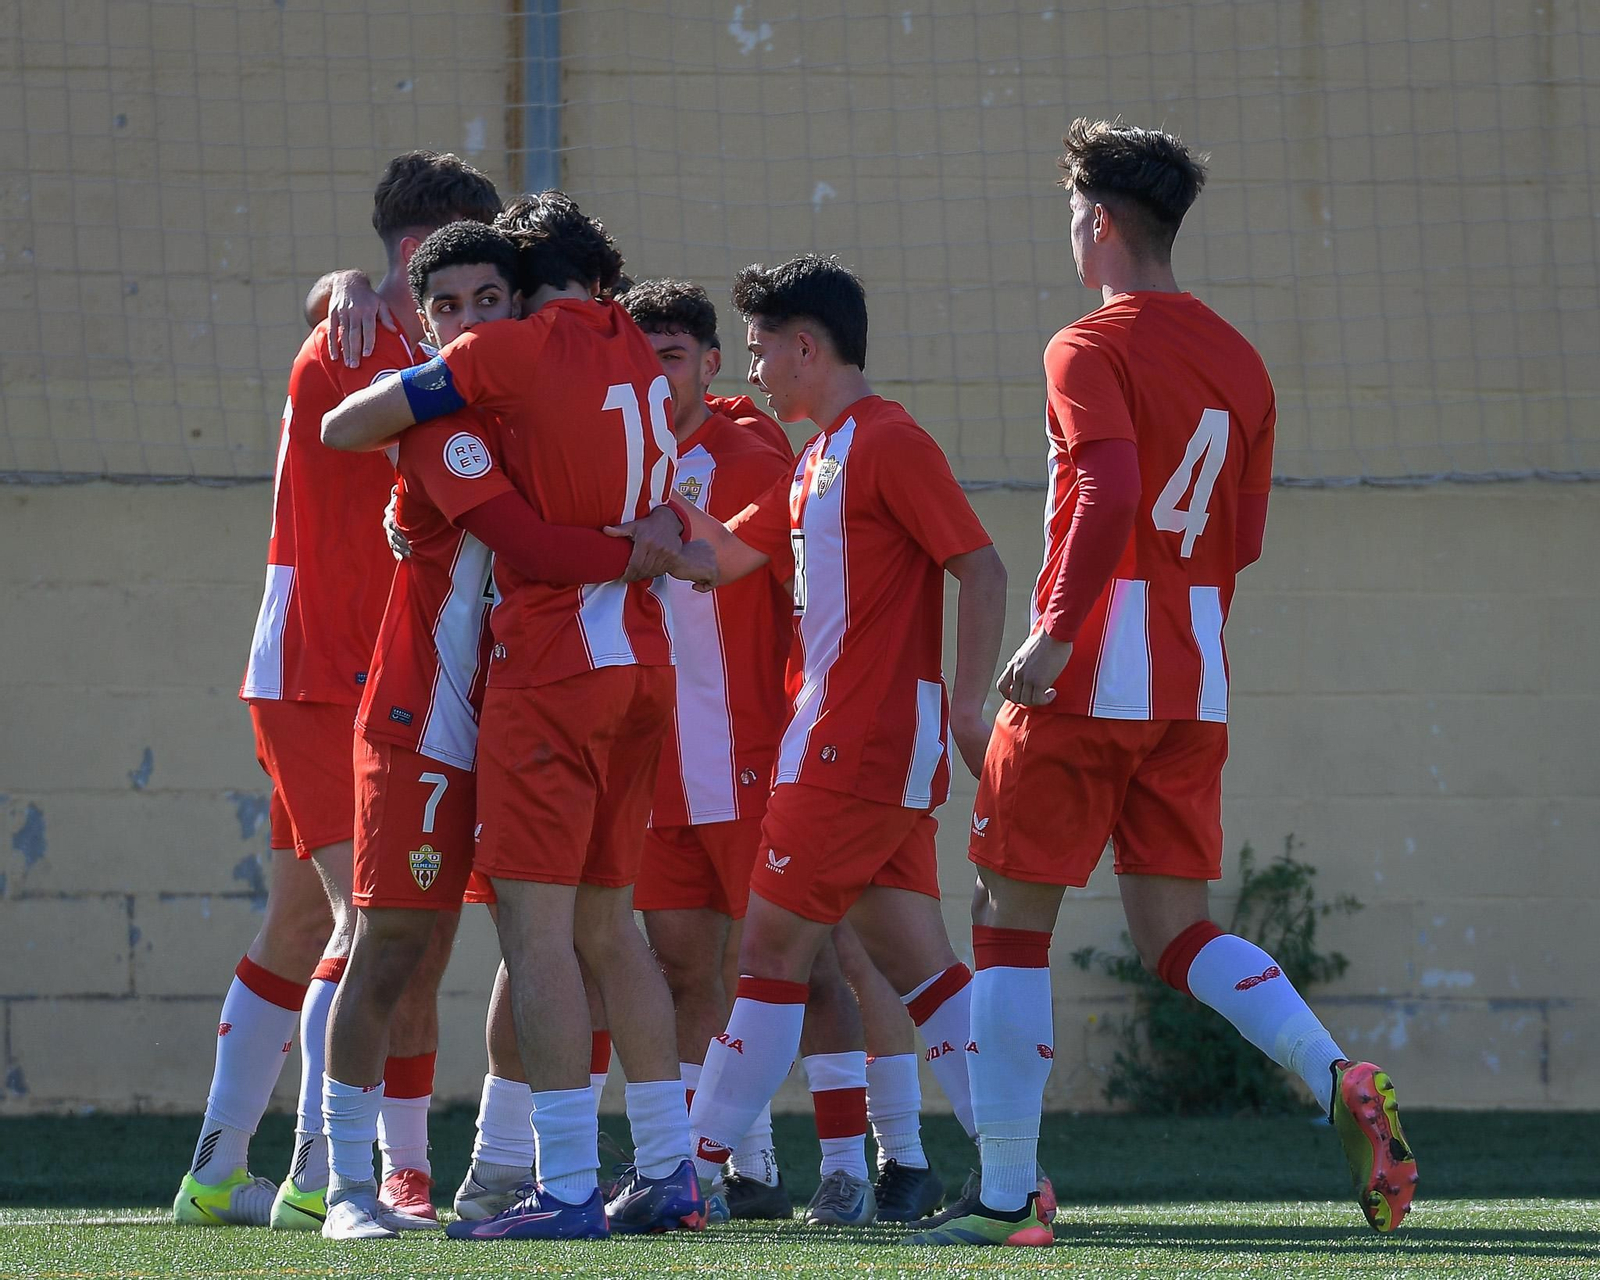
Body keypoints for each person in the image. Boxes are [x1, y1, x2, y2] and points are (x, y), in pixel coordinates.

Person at [909, 119, 1419, 1250]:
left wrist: (1052, 635)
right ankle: (1335, 1075)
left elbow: (1107, 491)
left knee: (1004, 916)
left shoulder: (1086, 344)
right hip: (1193, 671)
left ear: (1096, 222)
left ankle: (1003, 1194)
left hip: (1091, 667)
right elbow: (1237, 538)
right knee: (1174, 928)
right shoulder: (1241, 359)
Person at [321, 192, 705, 1242]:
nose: (477, 316)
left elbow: (546, 542)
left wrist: (658, 538)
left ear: (527, 297)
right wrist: (655, 543)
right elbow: (346, 424)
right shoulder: (602, 356)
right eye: (449, 302)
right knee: (402, 938)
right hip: (452, 707)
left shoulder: (520, 371)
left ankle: (560, 1178)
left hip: (544, 685)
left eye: (494, 295)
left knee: (541, 935)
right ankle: (355, 1182)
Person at [634, 254, 1009, 1226]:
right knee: (924, 972)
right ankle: (1018, 1173)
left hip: (852, 746)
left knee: (766, 950)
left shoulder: (887, 442)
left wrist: (970, 707)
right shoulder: (820, 456)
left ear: (807, 346)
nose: (749, 373)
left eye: (757, 352)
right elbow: (717, 554)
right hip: (862, 750)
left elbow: (981, 566)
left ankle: (686, 1174)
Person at [172, 151, 502, 1230]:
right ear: (409, 254)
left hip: (333, 669)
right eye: (441, 263)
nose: (460, 292)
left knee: (298, 919)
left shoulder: (394, 331)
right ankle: (324, 1167)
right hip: (329, 671)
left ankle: (216, 1171)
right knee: (370, 924)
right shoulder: (367, 345)